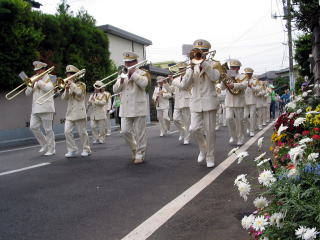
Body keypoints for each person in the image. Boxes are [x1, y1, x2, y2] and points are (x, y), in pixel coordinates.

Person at [173, 39, 220, 168]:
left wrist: (204, 64)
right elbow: (184, 85)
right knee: (193, 128)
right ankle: (203, 148)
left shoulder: (214, 64)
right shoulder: (190, 66)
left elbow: (215, 78)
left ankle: (210, 156)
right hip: (195, 103)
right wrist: (190, 69)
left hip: (210, 101)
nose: (200, 54)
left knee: (210, 131)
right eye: (198, 52)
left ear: (207, 52)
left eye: (203, 51)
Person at [113, 51, 149, 164]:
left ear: (136, 62)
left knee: (140, 133)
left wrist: (133, 74)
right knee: (124, 131)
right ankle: (134, 147)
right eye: (126, 62)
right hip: (125, 108)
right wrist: (122, 80)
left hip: (138, 107)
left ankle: (140, 153)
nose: (128, 64)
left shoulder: (143, 73)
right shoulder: (121, 74)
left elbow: (144, 84)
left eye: (130, 62)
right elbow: (115, 89)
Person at [25, 61, 56, 156]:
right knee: (33, 127)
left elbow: (49, 89)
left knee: (48, 130)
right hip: (35, 108)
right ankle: (44, 144)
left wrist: (38, 82)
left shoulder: (52, 77)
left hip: (46, 107)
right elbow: (27, 93)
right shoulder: (34, 79)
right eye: (36, 70)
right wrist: (30, 85)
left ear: (43, 69)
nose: (37, 72)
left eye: (38, 70)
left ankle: (52, 149)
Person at [61, 65, 91, 157]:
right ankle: (72, 150)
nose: (68, 76)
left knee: (82, 132)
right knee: (67, 131)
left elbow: (79, 93)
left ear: (75, 75)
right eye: (67, 74)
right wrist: (66, 90)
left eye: (70, 74)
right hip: (70, 113)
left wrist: (72, 84)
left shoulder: (81, 85)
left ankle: (87, 149)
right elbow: (63, 99)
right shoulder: (68, 86)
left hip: (79, 112)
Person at [221, 59, 248, 146]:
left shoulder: (243, 76)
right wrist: (223, 79)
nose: (231, 69)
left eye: (233, 67)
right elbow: (222, 88)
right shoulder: (227, 76)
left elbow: (244, 85)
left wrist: (234, 85)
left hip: (239, 102)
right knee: (228, 118)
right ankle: (233, 135)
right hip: (229, 101)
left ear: (238, 68)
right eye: (231, 67)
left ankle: (240, 138)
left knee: (239, 121)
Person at [164, 62, 191, 144]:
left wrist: (172, 80)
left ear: (186, 69)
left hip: (186, 101)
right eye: (180, 69)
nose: (181, 70)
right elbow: (171, 90)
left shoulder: (188, 77)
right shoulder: (176, 79)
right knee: (175, 119)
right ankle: (182, 131)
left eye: (182, 69)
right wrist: (166, 83)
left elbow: (183, 86)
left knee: (187, 122)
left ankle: (187, 138)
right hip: (178, 102)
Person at [243, 67, 259, 137]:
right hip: (244, 100)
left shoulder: (255, 80)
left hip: (252, 100)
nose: (248, 75)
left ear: (252, 74)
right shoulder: (243, 80)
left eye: (249, 74)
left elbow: (257, 89)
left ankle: (252, 130)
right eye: (247, 74)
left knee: (252, 116)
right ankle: (249, 127)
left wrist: (251, 87)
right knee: (245, 117)